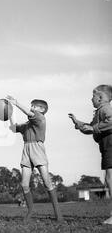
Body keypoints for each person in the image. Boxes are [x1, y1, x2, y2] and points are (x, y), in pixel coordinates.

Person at [6, 95, 64, 222]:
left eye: (34, 106)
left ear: (42, 110)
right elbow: (13, 128)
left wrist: (16, 102)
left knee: (47, 182)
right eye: (31, 106)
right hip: (26, 150)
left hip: (37, 149)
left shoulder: (40, 118)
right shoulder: (27, 124)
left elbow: (28, 112)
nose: (31, 108)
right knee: (24, 184)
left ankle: (58, 215)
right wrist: (10, 113)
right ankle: (30, 211)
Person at [69, 85, 112, 225]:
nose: (90, 99)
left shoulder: (105, 109)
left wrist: (93, 127)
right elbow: (90, 129)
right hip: (106, 144)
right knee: (108, 178)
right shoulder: (99, 112)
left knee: (110, 178)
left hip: (109, 143)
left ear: (100, 98)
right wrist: (78, 124)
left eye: (93, 96)